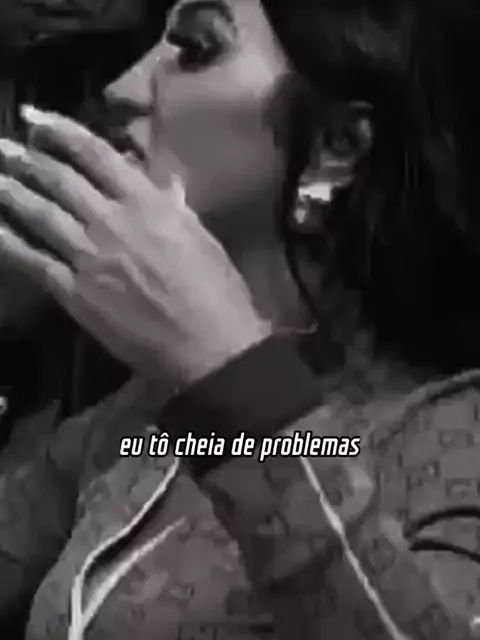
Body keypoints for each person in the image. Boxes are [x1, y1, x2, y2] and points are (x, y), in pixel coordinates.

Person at [0, 0, 480, 639]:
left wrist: (230, 376)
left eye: (196, 48)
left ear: (336, 146)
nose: (120, 88)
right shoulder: (137, 420)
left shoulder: (453, 430)